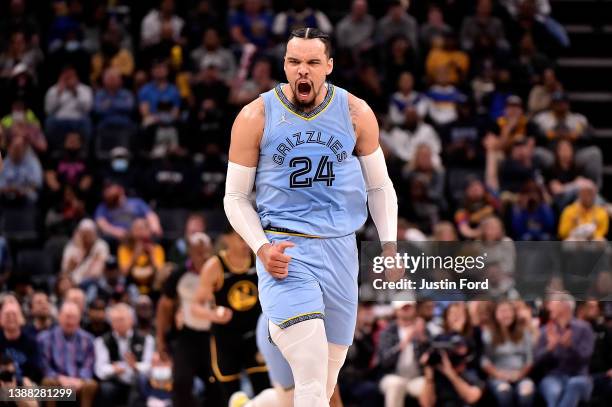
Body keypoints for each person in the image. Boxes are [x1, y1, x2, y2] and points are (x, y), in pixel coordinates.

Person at [223, 27, 398, 406]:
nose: (303, 70)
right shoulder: (255, 115)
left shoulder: (355, 112)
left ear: (329, 66)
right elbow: (235, 198)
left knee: (320, 382)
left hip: (341, 252)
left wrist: (389, 244)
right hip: (286, 252)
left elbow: (380, 187)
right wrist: (261, 247)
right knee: (311, 384)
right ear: (285, 65)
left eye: (312, 62)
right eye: (294, 62)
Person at [192, 228, 269, 403]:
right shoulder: (215, 265)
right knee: (228, 395)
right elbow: (195, 306)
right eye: (240, 238)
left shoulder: (258, 259)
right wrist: (213, 314)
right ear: (226, 238)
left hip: (255, 337)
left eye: (246, 238)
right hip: (226, 338)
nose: (245, 243)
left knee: (264, 391)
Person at [156, 232, 222, 406]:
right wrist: (160, 339)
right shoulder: (179, 274)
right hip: (188, 335)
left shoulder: (220, 271)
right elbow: (164, 307)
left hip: (214, 336)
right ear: (190, 252)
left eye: (206, 251)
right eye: (198, 252)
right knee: (180, 382)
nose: (204, 256)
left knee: (217, 383)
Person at [535, 293, 595, 407]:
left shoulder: (584, 328)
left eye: (552, 303)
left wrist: (570, 347)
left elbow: (586, 358)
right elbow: (536, 361)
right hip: (552, 377)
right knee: (554, 391)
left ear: (564, 305)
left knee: (575, 384)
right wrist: (549, 348)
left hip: (579, 377)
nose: (548, 308)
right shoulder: (545, 331)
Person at [38, 302, 98, 407]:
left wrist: (80, 380)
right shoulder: (45, 338)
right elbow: (44, 364)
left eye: (73, 317)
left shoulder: (88, 339)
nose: (70, 321)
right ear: (59, 317)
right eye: (67, 317)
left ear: (79, 319)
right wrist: (59, 378)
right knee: (48, 382)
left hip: (80, 383)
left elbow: (89, 364)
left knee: (91, 385)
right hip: (56, 383)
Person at [94, 303, 154, 406]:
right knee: (101, 388)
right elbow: (99, 369)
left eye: (122, 319)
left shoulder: (146, 339)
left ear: (131, 320)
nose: (119, 323)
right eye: (116, 320)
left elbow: (150, 366)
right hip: (113, 381)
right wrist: (114, 369)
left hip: (136, 380)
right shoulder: (101, 341)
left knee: (141, 382)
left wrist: (135, 366)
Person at [481, 301, 535, 407]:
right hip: (497, 376)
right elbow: (484, 361)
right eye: (502, 311)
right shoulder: (488, 334)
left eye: (509, 311)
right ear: (495, 314)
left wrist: (520, 375)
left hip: (520, 375)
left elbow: (529, 360)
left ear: (514, 313)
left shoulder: (523, 332)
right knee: (504, 393)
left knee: (526, 393)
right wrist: (499, 375)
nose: (506, 315)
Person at [378, 300, 428, 407]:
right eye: (404, 308)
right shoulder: (387, 332)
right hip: (392, 376)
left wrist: (422, 339)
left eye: (409, 307)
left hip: (416, 377)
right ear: (396, 311)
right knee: (396, 384)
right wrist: (404, 342)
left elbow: (430, 356)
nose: (407, 310)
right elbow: (385, 362)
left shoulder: (422, 329)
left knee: (428, 384)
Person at [61, 218, 110, 285]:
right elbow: (65, 271)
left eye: (90, 233)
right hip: (71, 283)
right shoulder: (72, 246)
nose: (87, 236)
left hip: (90, 283)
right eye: (85, 233)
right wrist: (80, 248)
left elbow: (95, 273)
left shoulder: (101, 245)